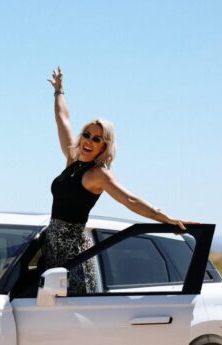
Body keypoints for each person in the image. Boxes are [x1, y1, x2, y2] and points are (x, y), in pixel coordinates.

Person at [45, 67, 190, 293]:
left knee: (74, 311)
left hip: (75, 256)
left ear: (104, 146)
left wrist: (165, 218)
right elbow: (63, 120)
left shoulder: (99, 174)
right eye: (86, 135)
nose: (89, 141)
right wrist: (59, 91)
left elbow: (130, 200)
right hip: (52, 250)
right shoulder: (73, 159)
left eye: (97, 139)